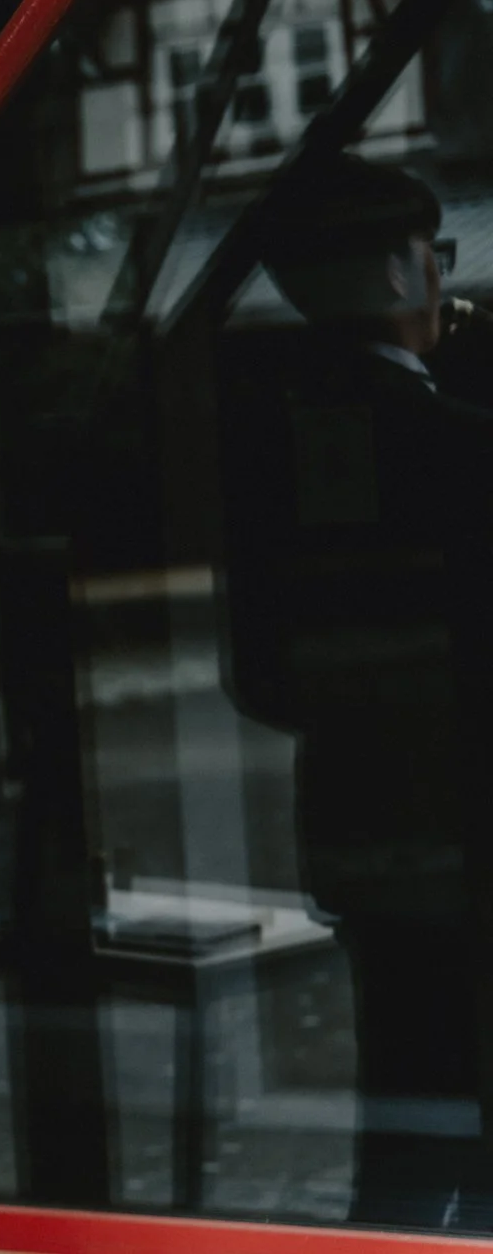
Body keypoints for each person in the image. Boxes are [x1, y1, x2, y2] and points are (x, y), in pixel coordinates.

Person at [232, 151, 493, 1228]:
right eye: (431, 259)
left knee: (397, 1088)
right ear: (397, 274)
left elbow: (261, 675)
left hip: (353, 829)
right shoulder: (453, 443)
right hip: (464, 834)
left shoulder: (267, 445)